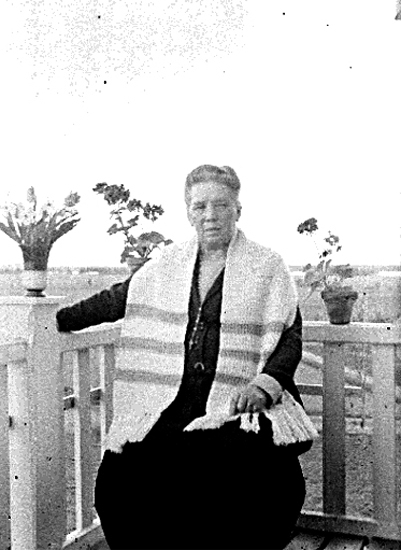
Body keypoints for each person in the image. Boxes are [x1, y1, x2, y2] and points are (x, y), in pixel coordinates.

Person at [57, 165, 317, 550]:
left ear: (238, 210)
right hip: (173, 399)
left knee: (240, 479)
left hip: (238, 401)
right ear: (189, 213)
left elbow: (289, 336)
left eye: (221, 205)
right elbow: (118, 299)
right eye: (200, 206)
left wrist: (263, 386)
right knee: (122, 477)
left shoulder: (267, 266)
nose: (211, 215)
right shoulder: (167, 264)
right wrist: (57, 319)